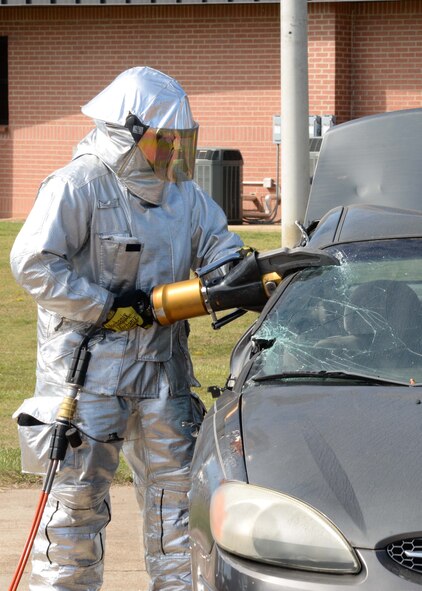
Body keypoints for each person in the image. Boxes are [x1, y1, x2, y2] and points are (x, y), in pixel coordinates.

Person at [10, 66, 243, 591]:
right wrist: (106, 306)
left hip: (162, 376)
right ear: (130, 132)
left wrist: (237, 277)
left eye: (181, 142)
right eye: (166, 141)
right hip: (87, 378)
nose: (174, 154)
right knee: (74, 513)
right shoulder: (80, 185)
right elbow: (33, 263)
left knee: (179, 508)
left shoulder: (184, 198)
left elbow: (220, 251)